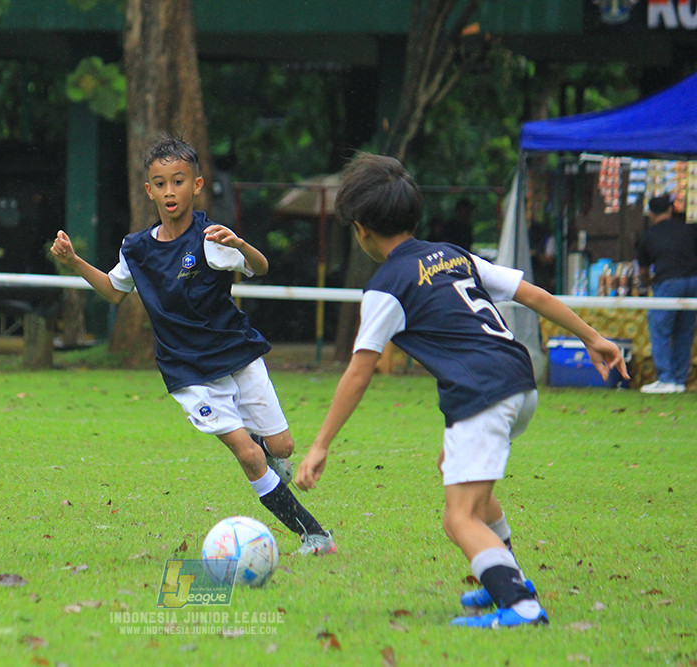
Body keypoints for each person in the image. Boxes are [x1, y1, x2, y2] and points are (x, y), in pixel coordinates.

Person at [294, 153, 628, 627]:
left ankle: (520, 607)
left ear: (361, 228)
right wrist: (592, 336)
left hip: (483, 394)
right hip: (516, 381)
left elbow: (358, 371)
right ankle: (509, 583)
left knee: (459, 518)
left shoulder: (386, 285)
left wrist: (321, 445)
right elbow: (530, 294)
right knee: (457, 471)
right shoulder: (451, 254)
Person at [50, 135, 335, 555]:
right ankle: (314, 536)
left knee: (282, 449)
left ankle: (268, 459)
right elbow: (113, 291)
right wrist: (74, 261)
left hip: (236, 353)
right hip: (187, 371)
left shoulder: (212, 238)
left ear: (197, 185)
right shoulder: (138, 249)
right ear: (149, 190)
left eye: (179, 181)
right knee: (250, 456)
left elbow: (261, 267)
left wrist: (240, 245)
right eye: (160, 183)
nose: (170, 191)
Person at [635, 193, 697, 394]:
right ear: (670, 210)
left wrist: (648, 283)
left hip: (668, 282)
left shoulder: (647, 236)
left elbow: (643, 272)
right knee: (684, 332)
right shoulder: (688, 229)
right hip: (693, 282)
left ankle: (665, 378)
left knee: (660, 330)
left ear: (651, 214)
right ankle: (679, 380)